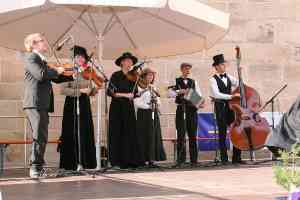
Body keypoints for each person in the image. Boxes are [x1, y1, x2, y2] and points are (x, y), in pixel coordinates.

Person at [23, 33, 73, 178]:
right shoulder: (31, 57)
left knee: (42, 135)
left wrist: (70, 74)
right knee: (39, 135)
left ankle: (39, 166)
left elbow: (53, 77)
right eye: (42, 40)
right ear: (33, 44)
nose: (45, 42)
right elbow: (41, 74)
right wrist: (58, 70)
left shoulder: (41, 60)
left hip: (41, 103)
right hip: (35, 102)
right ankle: (35, 168)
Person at [57, 45, 98, 171]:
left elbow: (92, 89)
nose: (80, 59)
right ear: (73, 58)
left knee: (85, 130)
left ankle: (86, 162)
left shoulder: (88, 72)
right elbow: (63, 90)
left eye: (82, 57)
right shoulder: (68, 72)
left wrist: (93, 89)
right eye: (77, 57)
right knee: (72, 131)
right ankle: (71, 163)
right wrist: (80, 91)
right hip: (72, 104)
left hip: (84, 104)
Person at [107, 52, 144, 169]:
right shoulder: (115, 75)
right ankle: (117, 161)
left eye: (131, 61)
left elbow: (136, 93)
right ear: (122, 62)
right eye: (127, 61)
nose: (130, 63)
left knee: (130, 132)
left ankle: (130, 160)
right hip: (117, 108)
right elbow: (110, 92)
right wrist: (125, 95)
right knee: (117, 132)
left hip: (128, 107)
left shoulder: (133, 77)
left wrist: (137, 94)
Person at [209, 54, 243, 165]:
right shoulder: (212, 80)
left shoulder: (228, 77)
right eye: (222, 64)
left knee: (236, 131)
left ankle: (237, 157)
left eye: (224, 64)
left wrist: (241, 76)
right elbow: (216, 94)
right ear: (217, 67)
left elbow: (240, 84)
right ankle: (224, 158)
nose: (224, 66)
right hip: (220, 108)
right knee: (222, 133)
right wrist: (231, 96)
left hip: (230, 109)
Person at [134, 68, 166, 167]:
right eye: (149, 75)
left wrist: (156, 104)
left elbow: (159, 99)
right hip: (143, 114)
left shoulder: (153, 87)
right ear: (143, 76)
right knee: (144, 135)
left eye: (152, 75)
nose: (151, 77)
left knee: (153, 135)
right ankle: (143, 159)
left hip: (153, 113)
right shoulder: (138, 88)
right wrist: (148, 106)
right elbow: (136, 102)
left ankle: (152, 159)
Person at [173, 63, 203, 167]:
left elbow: (199, 97)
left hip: (192, 110)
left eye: (189, 69)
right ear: (181, 69)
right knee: (181, 135)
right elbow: (168, 93)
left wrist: (198, 101)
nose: (188, 71)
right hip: (181, 109)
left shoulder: (194, 82)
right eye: (186, 69)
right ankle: (181, 160)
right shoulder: (176, 81)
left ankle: (194, 160)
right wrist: (179, 91)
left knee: (193, 135)